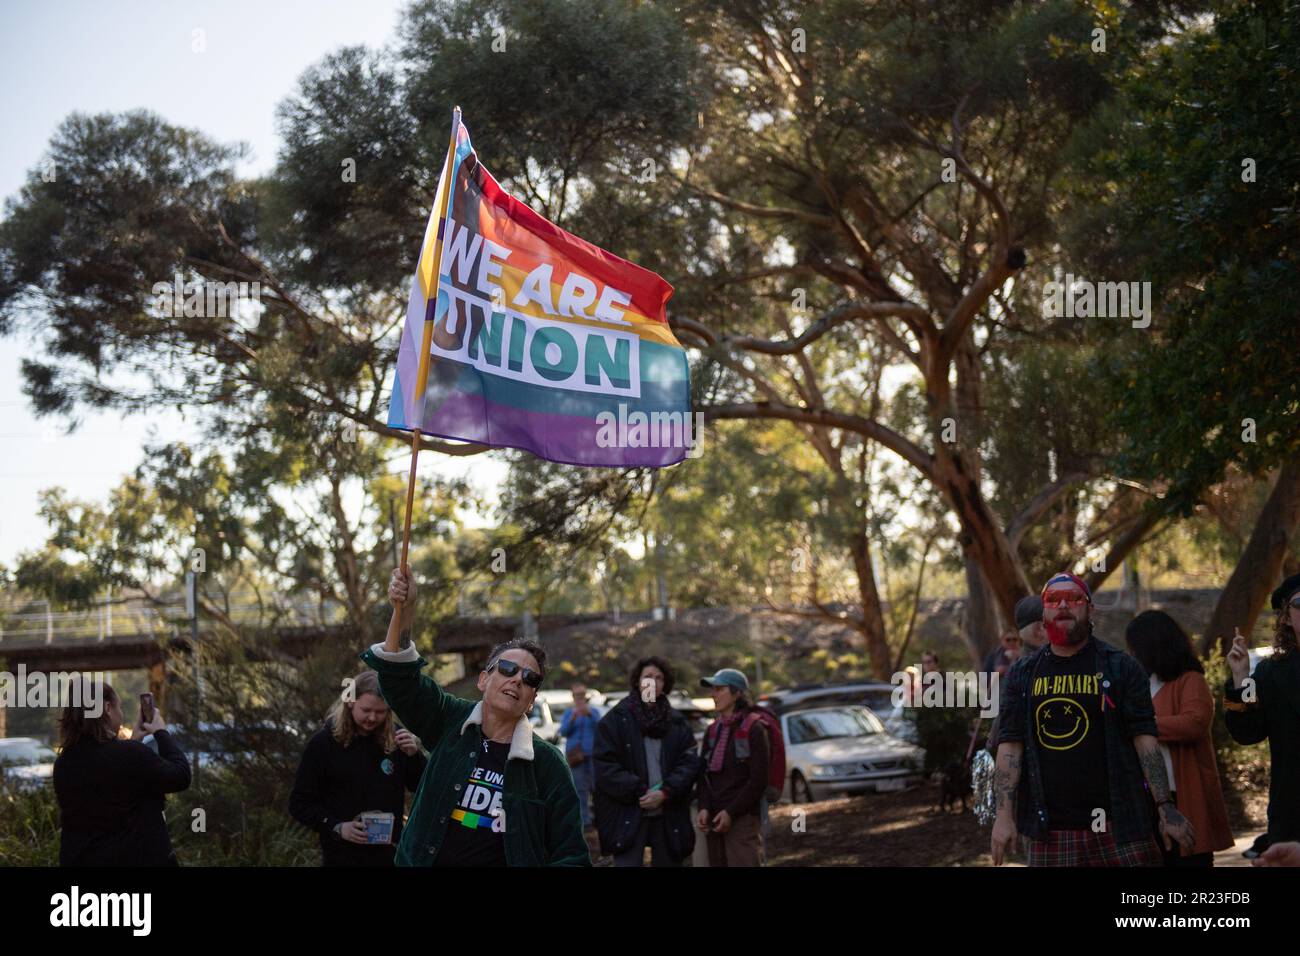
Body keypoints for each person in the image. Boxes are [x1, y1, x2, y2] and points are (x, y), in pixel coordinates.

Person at [358, 567, 589, 866]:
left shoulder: (547, 765)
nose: (517, 679)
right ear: (483, 680)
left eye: (530, 678)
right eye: (507, 669)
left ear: (532, 700)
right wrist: (406, 610)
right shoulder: (449, 721)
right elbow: (399, 679)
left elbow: (572, 855)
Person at [990, 572, 1195, 867]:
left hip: (1121, 825)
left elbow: (1145, 740)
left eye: (1073, 599)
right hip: (1050, 831)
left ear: (1090, 608)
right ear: (1044, 613)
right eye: (1053, 600)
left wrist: (1165, 807)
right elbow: (1010, 748)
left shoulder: (1121, 667)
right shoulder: (1023, 674)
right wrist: (1003, 817)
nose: (1063, 606)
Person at [1125, 609, 1233, 866]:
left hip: (1182, 792)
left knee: (1187, 861)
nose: (1131, 654)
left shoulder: (1191, 680)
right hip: (1144, 796)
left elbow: (1193, 723)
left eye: (1135, 647)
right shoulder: (1141, 681)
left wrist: (1140, 726)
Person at [289, 670, 427, 866]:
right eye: (366, 710)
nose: (372, 718)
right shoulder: (324, 743)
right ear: (351, 702)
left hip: (390, 855)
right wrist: (337, 826)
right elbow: (299, 803)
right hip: (342, 856)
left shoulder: (397, 739)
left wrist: (415, 756)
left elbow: (421, 786)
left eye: (380, 712)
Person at [53, 679, 191, 866]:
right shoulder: (130, 755)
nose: (122, 713)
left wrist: (133, 742)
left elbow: (109, 780)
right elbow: (181, 776)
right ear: (108, 708)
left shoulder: (63, 764)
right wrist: (160, 732)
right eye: (120, 707)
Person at [593, 657, 701, 866]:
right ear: (637, 681)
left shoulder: (677, 723)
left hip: (668, 812)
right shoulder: (616, 719)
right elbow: (605, 765)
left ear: (666, 684)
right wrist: (639, 791)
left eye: (659, 678)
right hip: (628, 812)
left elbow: (689, 762)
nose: (653, 682)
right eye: (647, 677)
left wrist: (665, 792)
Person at [1224, 572, 1300, 852]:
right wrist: (1241, 680)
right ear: (1287, 618)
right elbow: (1246, 733)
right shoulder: (1270, 673)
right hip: (1292, 817)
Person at [697, 667, 768, 867]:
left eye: (719, 689)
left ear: (737, 693)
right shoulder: (712, 730)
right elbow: (703, 774)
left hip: (742, 818)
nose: (713, 694)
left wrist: (731, 812)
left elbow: (758, 780)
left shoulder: (754, 728)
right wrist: (703, 807)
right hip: (713, 819)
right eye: (713, 689)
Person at [559, 683, 601, 830]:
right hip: (575, 756)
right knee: (580, 790)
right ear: (573, 697)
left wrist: (589, 714)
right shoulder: (568, 713)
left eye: (582, 695)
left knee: (596, 787)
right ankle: (585, 821)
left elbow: (601, 729)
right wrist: (572, 718)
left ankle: (598, 818)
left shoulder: (594, 712)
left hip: (593, 755)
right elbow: (563, 732)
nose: (580, 698)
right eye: (577, 695)